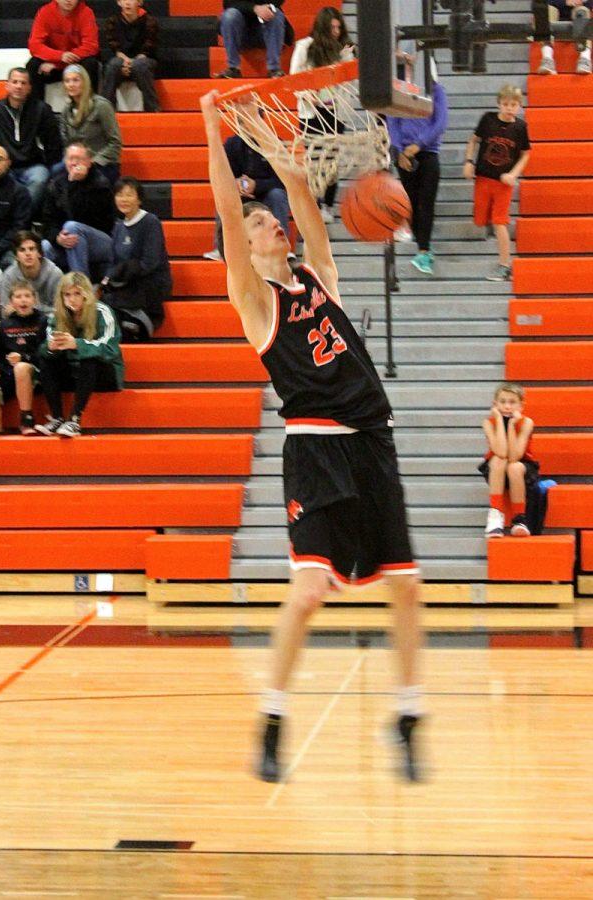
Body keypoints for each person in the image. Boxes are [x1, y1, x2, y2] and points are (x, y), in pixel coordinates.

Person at [201, 89, 424, 783]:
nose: (277, 228)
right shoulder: (256, 303)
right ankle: (271, 719)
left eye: (274, 223)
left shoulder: (317, 276)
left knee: (408, 589)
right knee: (305, 594)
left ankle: (409, 716)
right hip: (316, 448)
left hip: (372, 444)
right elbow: (228, 211)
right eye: (265, 225)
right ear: (252, 242)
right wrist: (215, 128)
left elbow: (300, 191)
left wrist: (278, 143)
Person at [36, 271, 123, 437]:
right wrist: (51, 347)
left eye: (77, 293)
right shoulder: (57, 315)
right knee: (46, 358)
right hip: (73, 373)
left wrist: (77, 344)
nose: (72, 299)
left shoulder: (102, 311)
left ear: (86, 294)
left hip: (104, 373)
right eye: (67, 294)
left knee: (88, 359)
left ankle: (74, 419)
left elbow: (111, 349)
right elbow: (43, 348)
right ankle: (57, 418)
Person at [289, 7, 355, 223]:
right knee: (315, 158)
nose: (336, 31)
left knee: (333, 160)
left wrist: (345, 61)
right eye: (332, 27)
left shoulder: (343, 50)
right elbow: (294, 78)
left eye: (339, 27)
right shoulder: (305, 46)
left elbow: (348, 83)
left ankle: (327, 203)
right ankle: (315, 202)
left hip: (335, 110)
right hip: (312, 112)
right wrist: (306, 95)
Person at [463, 84, 531, 282]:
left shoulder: (520, 127)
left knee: (499, 221)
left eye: (513, 104)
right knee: (479, 220)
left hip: (503, 183)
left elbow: (526, 154)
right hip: (483, 177)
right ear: (499, 104)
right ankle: (492, 233)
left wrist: (514, 174)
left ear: (519, 106)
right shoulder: (488, 120)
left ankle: (505, 265)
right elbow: (473, 140)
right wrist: (469, 161)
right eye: (505, 104)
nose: (509, 108)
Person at [386, 72, 448, 276]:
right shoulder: (398, 88)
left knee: (426, 202)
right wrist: (397, 149)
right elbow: (392, 119)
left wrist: (418, 144)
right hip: (404, 154)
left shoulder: (436, 90)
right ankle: (414, 238)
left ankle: (424, 250)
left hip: (428, 152)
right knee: (410, 201)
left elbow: (440, 122)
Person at [101, 176, 171, 340]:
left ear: (139, 199)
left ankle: (138, 323)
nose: (123, 199)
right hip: (127, 280)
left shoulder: (150, 222)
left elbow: (150, 263)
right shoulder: (119, 226)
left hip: (149, 281)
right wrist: (109, 278)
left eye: (129, 195)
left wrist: (121, 275)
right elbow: (113, 262)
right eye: (119, 195)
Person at [203, 134, 291, 261]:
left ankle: (282, 244)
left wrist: (257, 185)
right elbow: (222, 175)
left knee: (277, 194)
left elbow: (283, 181)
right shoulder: (231, 144)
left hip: (267, 194)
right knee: (225, 194)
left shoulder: (275, 143)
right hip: (241, 196)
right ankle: (221, 247)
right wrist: (236, 184)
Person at [0, 68, 62, 216]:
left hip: (33, 165)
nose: (19, 86)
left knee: (39, 179)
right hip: (6, 166)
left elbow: (53, 144)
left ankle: (21, 220)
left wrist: (49, 166)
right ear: (7, 85)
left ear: (29, 88)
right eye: (15, 82)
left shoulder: (41, 109)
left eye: (23, 83)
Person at [41, 142, 115, 279]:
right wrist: (57, 237)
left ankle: (81, 285)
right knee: (45, 246)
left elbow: (97, 221)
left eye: (79, 159)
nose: (74, 163)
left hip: (100, 241)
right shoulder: (56, 184)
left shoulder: (100, 184)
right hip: (69, 241)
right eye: (70, 159)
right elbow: (48, 221)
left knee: (72, 227)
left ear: (89, 162)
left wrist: (75, 185)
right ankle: (52, 295)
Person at [480, 382, 538, 539]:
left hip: (522, 468)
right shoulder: (488, 423)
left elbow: (514, 457)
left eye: (512, 402)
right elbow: (500, 452)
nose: (507, 406)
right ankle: (495, 516)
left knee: (513, 466)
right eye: (503, 402)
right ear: (495, 404)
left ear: (521, 405)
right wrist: (499, 420)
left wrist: (512, 425)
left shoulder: (526, 422)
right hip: (496, 469)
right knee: (499, 460)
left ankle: (519, 519)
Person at [0, 281, 47, 436]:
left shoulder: (43, 321)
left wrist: (23, 357)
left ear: (34, 299)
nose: (23, 300)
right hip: (8, 374)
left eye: (27, 296)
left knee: (21, 367)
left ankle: (26, 419)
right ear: (11, 302)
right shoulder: (4, 325)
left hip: (36, 372)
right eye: (18, 296)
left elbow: (46, 352)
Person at [59, 65, 122, 185]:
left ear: (85, 82)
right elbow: (66, 143)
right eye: (67, 81)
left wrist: (91, 163)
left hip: (102, 163)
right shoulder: (66, 111)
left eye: (76, 80)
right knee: (55, 176)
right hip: (75, 162)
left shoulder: (101, 106)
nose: (71, 84)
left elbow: (115, 143)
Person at [26, 0, 99, 102]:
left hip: (75, 64)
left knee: (91, 63)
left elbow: (91, 46)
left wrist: (59, 63)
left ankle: (90, 109)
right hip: (53, 65)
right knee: (33, 65)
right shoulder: (45, 12)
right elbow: (35, 45)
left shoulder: (86, 12)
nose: (68, 0)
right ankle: (37, 112)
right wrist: (60, 56)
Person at [102, 0, 161, 113]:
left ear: (140, 3)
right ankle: (106, 111)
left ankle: (152, 110)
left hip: (144, 59)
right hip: (121, 58)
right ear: (119, 3)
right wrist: (125, 60)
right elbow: (114, 46)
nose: (127, 3)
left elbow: (149, 47)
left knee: (140, 66)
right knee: (113, 65)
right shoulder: (112, 21)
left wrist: (132, 63)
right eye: (124, 0)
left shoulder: (150, 21)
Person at [215, 1, 294, 79]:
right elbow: (229, 3)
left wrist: (266, 8)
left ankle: (274, 69)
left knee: (275, 13)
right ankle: (233, 68)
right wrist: (255, 8)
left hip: (266, 31)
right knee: (230, 15)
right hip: (240, 33)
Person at [0, 231, 63, 315]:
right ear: (16, 256)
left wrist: (30, 309)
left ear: (39, 253)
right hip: (19, 324)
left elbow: (61, 312)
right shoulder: (9, 276)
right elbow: (5, 311)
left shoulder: (55, 274)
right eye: (22, 250)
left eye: (32, 249)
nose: (28, 253)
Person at [0, 144, 32, 272]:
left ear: (8, 163)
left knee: (12, 264)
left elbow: (19, 229)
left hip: (7, 248)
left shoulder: (19, 192)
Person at [538, 1, 593, 74]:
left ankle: (585, 58)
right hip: (558, 21)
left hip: (582, 19)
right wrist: (565, 2)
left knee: (582, 10)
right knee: (546, 10)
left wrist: (583, 2)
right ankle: (547, 59)